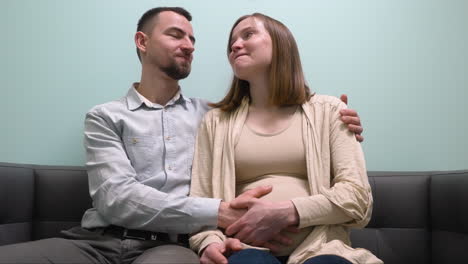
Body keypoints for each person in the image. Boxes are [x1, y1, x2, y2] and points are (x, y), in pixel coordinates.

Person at [0, 7, 365, 264]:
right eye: (176, 35)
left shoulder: (213, 115)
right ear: (142, 41)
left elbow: (277, 115)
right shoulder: (105, 117)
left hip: (172, 248)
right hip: (98, 240)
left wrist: (341, 118)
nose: (189, 45)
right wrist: (218, 215)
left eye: (192, 38)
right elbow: (116, 197)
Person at [189, 13, 381, 264]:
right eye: (231, 43)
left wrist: (286, 212)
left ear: (281, 43)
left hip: (322, 249)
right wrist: (209, 244)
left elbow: (358, 198)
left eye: (248, 34)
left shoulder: (330, 111)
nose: (235, 46)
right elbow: (200, 201)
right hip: (245, 251)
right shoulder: (215, 122)